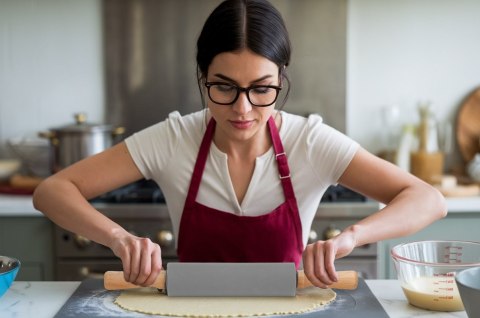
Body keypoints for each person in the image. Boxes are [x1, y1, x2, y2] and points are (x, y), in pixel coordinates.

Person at [33, 0, 446, 289]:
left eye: (262, 89)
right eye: (223, 87)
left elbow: (428, 199)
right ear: (202, 78)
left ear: (280, 81)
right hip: (191, 310)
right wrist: (118, 237)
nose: (243, 109)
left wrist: (352, 237)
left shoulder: (310, 141)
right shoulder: (175, 138)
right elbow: (52, 191)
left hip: (289, 309)